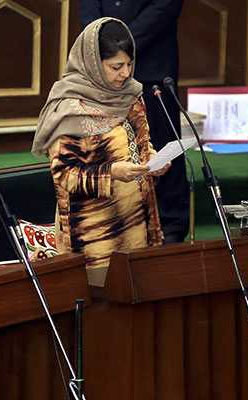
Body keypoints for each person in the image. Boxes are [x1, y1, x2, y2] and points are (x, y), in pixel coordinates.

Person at [31, 18, 168, 285]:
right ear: (93, 62)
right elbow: (64, 175)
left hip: (139, 227)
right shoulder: (70, 108)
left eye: (129, 64)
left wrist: (152, 160)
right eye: (116, 66)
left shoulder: (130, 95)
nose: (125, 73)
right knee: (104, 306)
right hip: (95, 241)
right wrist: (112, 173)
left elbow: (141, 143)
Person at [79, 0, 189, 243]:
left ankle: (170, 225)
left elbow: (163, 8)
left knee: (160, 145)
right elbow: (89, 10)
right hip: (104, 66)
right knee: (109, 144)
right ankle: (120, 222)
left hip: (152, 66)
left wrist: (120, 47)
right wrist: (101, 46)